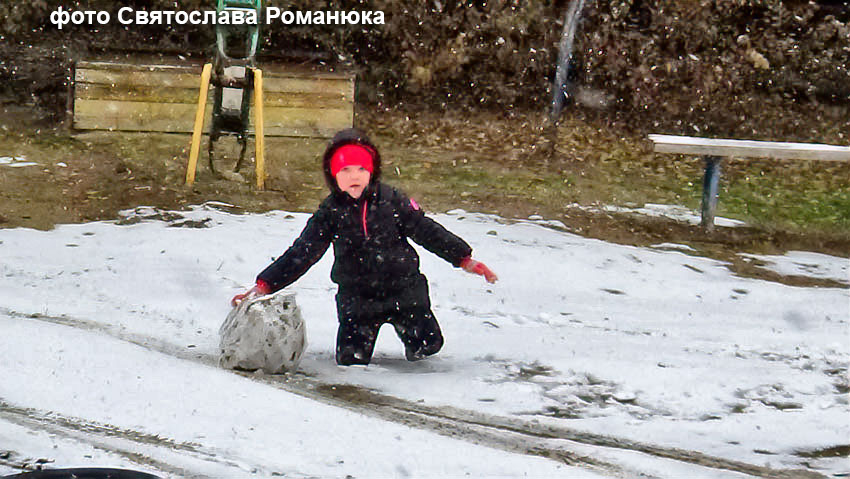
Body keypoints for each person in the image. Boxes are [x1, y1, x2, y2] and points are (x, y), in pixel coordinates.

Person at [232, 128, 497, 366]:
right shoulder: (331, 212)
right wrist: (264, 285)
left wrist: (464, 258)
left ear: (372, 172)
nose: (354, 177)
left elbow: (428, 231)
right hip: (357, 299)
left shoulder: (393, 201)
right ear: (333, 176)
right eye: (345, 171)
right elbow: (302, 253)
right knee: (351, 361)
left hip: (405, 292)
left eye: (361, 169)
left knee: (428, 346)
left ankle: (419, 342)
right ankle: (357, 347)